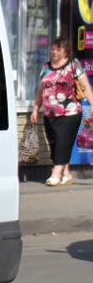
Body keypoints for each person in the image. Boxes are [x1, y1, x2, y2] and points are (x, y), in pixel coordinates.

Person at [30, 36, 92, 186]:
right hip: (49, 113)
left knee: (63, 142)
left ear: (66, 52)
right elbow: (40, 91)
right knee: (54, 143)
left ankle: (56, 174)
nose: (54, 52)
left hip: (70, 112)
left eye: (58, 49)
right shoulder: (46, 68)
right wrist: (35, 109)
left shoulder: (74, 65)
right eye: (52, 49)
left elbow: (86, 87)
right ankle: (66, 173)